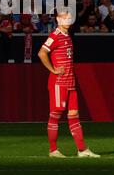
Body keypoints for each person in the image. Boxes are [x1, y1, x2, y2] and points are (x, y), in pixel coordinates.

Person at [38, 9, 100, 158]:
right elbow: (41, 53)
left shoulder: (67, 36)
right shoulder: (55, 36)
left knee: (74, 115)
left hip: (70, 82)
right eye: (66, 17)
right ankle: (53, 150)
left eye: (70, 17)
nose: (69, 20)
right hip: (59, 82)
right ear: (58, 19)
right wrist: (53, 70)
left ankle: (82, 150)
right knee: (55, 115)